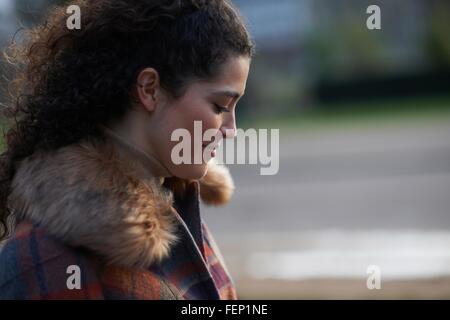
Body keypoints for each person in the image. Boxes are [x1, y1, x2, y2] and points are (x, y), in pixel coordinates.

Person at [0, 0, 253, 299]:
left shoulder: (175, 204)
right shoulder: (48, 262)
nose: (232, 129)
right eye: (220, 106)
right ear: (149, 89)